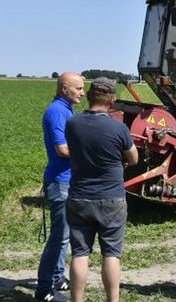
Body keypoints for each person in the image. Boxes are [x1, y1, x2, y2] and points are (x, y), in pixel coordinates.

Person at [65, 77, 138, 302]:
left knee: (79, 253)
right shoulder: (119, 128)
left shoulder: (72, 123)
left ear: (88, 96)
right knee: (111, 254)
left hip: (79, 196)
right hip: (111, 198)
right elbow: (133, 158)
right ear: (112, 100)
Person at [35, 72, 85, 302]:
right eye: (78, 89)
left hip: (66, 180)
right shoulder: (57, 112)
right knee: (58, 237)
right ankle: (44, 289)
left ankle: (56, 278)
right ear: (64, 88)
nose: (82, 93)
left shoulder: (65, 110)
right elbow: (62, 150)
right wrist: (90, 154)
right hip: (60, 181)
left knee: (64, 237)